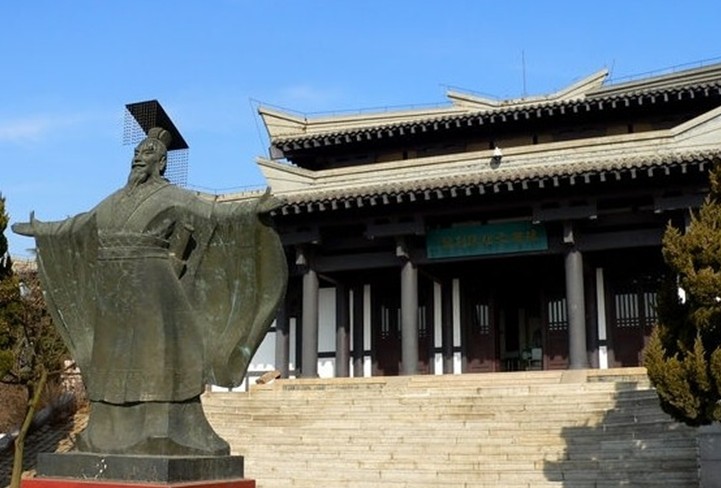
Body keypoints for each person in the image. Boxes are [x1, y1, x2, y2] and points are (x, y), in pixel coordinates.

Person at [13, 127, 287, 455]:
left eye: (146, 153)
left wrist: (252, 209)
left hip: (153, 286)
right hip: (113, 290)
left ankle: (162, 427)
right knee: (109, 357)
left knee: (157, 356)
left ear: (161, 163)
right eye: (136, 153)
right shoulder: (115, 200)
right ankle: (104, 431)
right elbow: (79, 224)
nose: (138, 158)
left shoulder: (172, 195)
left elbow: (213, 212)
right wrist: (41, 229)